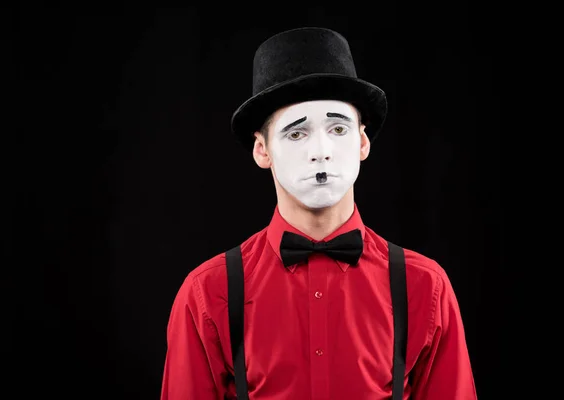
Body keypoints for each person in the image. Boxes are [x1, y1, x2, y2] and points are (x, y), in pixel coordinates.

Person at [160, 27, 477, 400]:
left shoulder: (426, 288)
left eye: (338, 128)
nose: (321, 150)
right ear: (262, 151)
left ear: (362, 142)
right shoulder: (207, 294)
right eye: (296, 134)